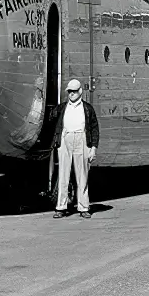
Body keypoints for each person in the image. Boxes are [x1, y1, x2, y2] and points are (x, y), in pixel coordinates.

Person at [48, 78, 99, 218]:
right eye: (69, 91)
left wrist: (93, 147)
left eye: (74, 91)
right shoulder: (62, 107)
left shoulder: (87, 108)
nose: (71, 94)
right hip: (65, 139)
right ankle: (61, 207)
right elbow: (51, 119)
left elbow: (94, 128)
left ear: (80, 91)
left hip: (81, 139)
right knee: (63, 174)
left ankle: (83, 208)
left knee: (82, 175)